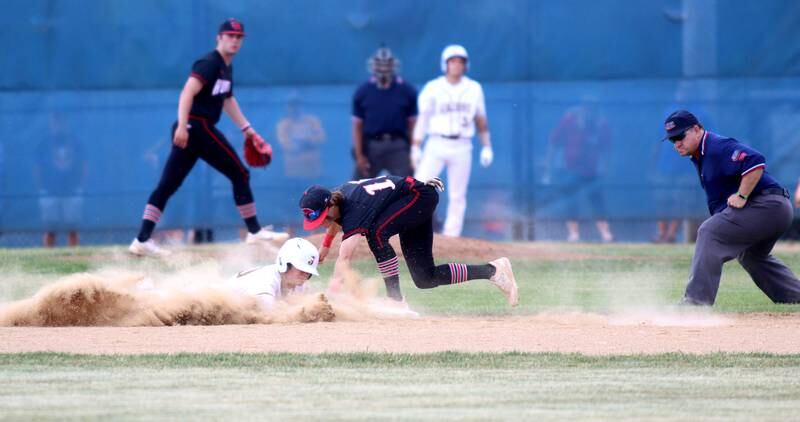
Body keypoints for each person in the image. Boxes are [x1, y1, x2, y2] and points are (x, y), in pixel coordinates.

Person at [129, 18, 287, 257]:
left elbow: (227, 100)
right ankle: (254, 231)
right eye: (230, 36)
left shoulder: (226, 67)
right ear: (219, 38)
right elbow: (187, 92)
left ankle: (142, 239)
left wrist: (248, 130)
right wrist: (182, 125)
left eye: (238, 37)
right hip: (196, 125)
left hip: (194, 128)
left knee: (167, 186)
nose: (234, 40)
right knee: (240, 173)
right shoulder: (210, 63)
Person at [298, 175, 518, 306]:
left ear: (331, 206)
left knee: (375, 234)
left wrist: (332, 293)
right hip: (413, 201)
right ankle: (493, 271)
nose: (323, 224)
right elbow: (336, 221)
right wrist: (325, 247)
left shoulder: (355, 209)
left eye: (322, 219)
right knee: (425, 278)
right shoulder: (341, 198)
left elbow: (345, 257)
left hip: (418, 198)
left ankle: (395, 300)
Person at [663, 110, 800, 306]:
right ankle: (795, 296)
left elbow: (756, 161)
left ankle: (695, 303)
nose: (676, 143)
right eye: (671, 140)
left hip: (768, 206)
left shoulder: (716, 146)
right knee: (752, 256)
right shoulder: (700, 154)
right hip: (772, 208)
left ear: (696, 129)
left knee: (709, 232)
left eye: (680, 136)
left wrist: (742, 195)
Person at [412, 44, 494, 238]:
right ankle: (412, 229)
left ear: (466, 65)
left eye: (461, 62)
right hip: (436, 143)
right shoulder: (433, 87)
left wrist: (487, 146)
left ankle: (452, 236)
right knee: (418, 186)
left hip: (462, 144)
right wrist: (416, 146)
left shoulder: (474, 88)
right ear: (445, 64)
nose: (457, 65)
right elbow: (423, 118)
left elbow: (481, 119)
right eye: (453, 61)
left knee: (458, 194)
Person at [544, 98, 614, 243]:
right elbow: (554, 142)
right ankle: (573, 234)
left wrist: (605, 167)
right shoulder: (569, 119)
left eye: (593, 106)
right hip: (570, 169)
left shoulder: (601, 123)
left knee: (597, 201)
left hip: (592, 171)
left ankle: (606, 233)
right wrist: (548, 167)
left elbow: (606, 149)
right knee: (571, 201)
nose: (589, 109)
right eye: (587, 105)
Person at [352, 47, 418, 179]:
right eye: (380, 65)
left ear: (393, 65)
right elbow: (357, 126)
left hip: (398, 145)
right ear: (373, 66)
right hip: (372, 146)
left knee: (406, 187)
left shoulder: (406, 90)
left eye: (386, 65)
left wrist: (412, 151)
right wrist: (359, 155)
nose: (383, 69)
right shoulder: (363, 91)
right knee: (356, 187)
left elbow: (413, 124)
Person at [33, 113, 88, 247]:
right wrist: (41, 188)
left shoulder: (76, 142)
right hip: (49, 190)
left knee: (73, 228)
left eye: (61, 122)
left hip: (72, 190)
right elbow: (37, 168)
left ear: (66, 123)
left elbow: (85, 166)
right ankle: (48, 256)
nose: (58, 125)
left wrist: (80, 187)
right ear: (51, 124)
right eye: (55, 122)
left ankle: (75, 256)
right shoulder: (44, 143)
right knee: (50, 228)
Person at [229, 237, 320, 311]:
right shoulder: (266, 280)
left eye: (309, 272)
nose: (305, 274)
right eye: (301, 269)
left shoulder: (300, 285)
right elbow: (269, 311)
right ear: (285, 264)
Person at [276, 92, 326, 179]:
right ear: (287, 107)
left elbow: (321, 139)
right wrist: (302, 144)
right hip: (293, 172)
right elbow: (285, 144)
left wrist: (306, 141)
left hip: (313, 171)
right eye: (292, 105)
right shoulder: (283, 124)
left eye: (297, 104)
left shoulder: (312, 121)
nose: (294, 108)